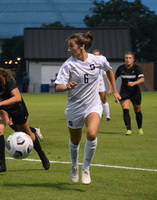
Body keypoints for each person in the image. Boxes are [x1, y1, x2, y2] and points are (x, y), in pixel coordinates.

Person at [55, 32, 121, 184]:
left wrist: (115, 90)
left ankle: (86, 168)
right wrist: (66, 87)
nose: (68, 50)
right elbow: (58, 86)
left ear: (82, 46)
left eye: (71, 46)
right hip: (74, 107)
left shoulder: (98, 60)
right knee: (75, 140)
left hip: (93, 105)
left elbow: (109, 70)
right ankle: (74, 165)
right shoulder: (68, 64)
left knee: (91, 134)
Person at [0, 57, 50, 173]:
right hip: (0, 107)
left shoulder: (5, 78)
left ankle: (42, 155)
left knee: (29, 134)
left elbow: (17, 97)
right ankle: (2, 164)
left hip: (16, 107)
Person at [115, 52, 145, 136]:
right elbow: (114, 78)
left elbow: (142, 79)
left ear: (133, 60)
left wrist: (134, 83)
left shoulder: (136, 68)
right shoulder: (121, 68)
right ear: (124, 59)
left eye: (129, 58)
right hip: (124, 92)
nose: (128, 59)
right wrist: (113, 89)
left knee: (137, 111)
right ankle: (128, 130)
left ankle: (140, 128)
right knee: (125, 110)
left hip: (135, 92)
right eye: (126, 58)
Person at [93, 49, 112, 121]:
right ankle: (98, 113)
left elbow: (106, 76)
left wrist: (110, 87)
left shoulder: (102, 64)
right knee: (94, 100)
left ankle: (108, 116)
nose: (96, 57)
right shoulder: (90, 63)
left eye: (97, 55)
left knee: (103, 99)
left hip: (100, 84)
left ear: (100, 55)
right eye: (94, 55)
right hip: (93, 85)